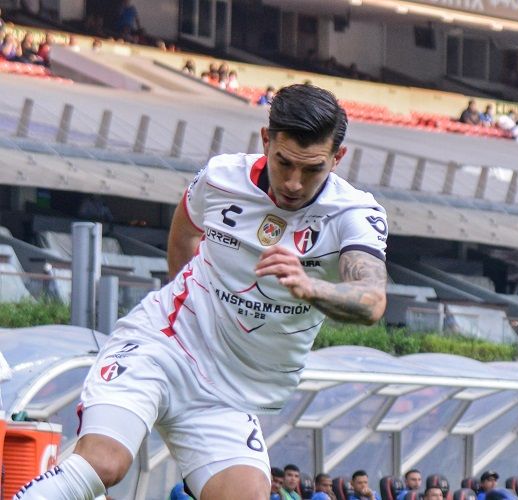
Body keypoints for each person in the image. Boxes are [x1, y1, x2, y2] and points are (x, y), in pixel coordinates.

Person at [14, 84, 388, 499]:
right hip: (164, 343)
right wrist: (188, 308)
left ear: (338, 158)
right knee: (105, 463)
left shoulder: (354, 215)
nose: (295, 183)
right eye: (284, 162)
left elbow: (372, 300)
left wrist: (311, 286)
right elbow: (185, 231)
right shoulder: (221, 177)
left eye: (313, 169)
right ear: (266, 140)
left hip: (231, 391)